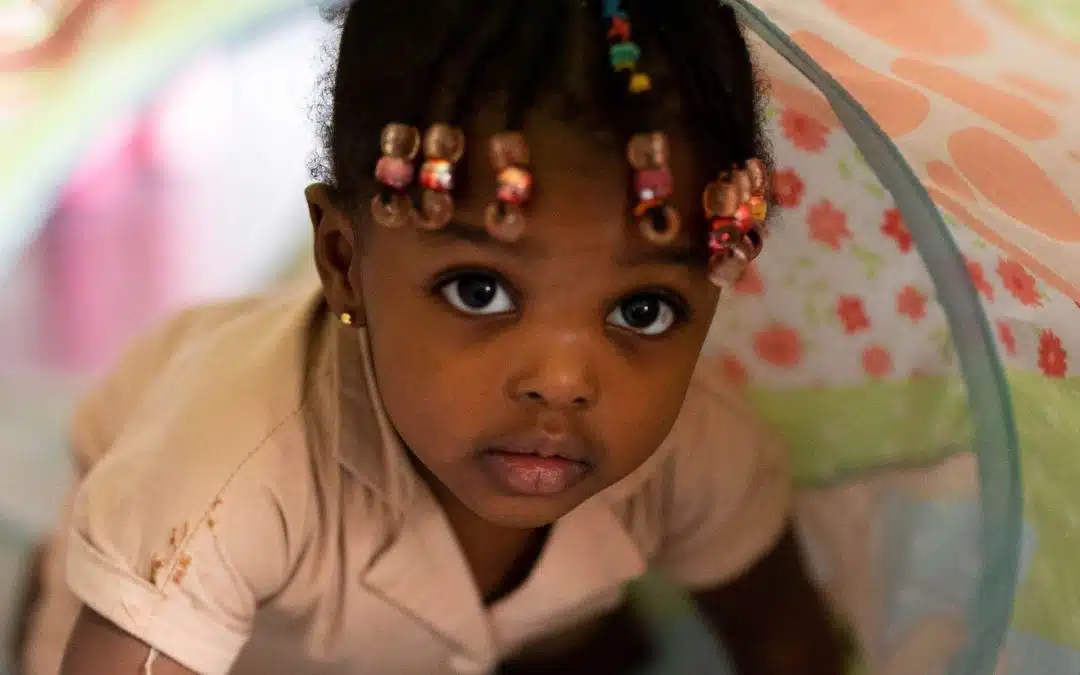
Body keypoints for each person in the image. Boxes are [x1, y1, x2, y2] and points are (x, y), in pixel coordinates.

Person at [14, 1, 848, 673]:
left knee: (606, 644)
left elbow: (786, 643)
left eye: (644, 310)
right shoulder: (220, 484)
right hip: (172, 635)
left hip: (493, 637)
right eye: (478, 290)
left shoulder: (695, 456)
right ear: (343, 261)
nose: (562, 379)